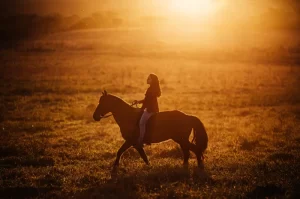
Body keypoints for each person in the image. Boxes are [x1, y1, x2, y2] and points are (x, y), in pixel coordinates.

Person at [133, 73, 161, 147]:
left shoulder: (151, 89)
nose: (147, 79)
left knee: (141, 123)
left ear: (152, 81)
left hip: (150, 110)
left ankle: (141, 141)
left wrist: (141, 109)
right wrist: (138, 102)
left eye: (149, 78)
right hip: (152, 109)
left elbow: (147, 101)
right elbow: (146, 100)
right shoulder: (153, 88)